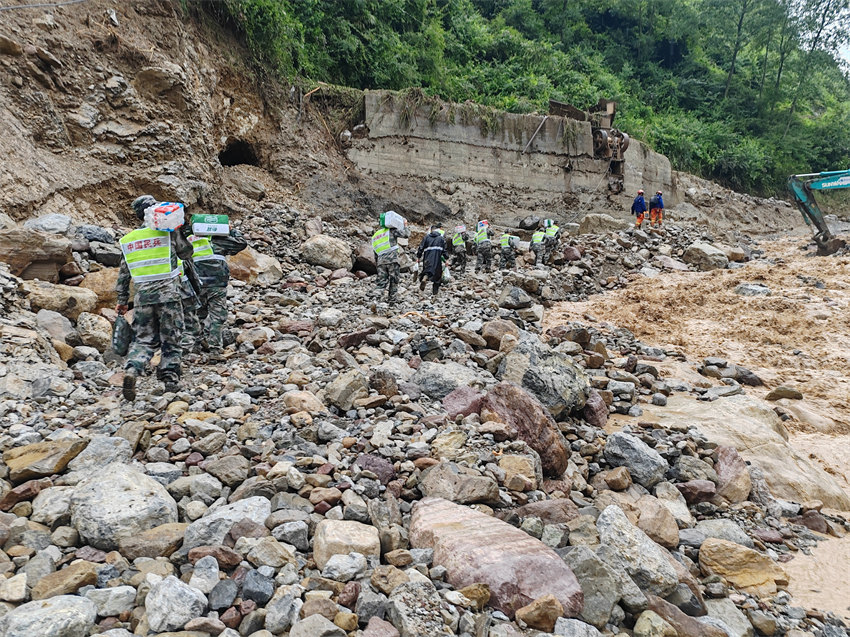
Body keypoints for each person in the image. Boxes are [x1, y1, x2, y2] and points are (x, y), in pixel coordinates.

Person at [116, 195, 193, 400]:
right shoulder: (167, 232)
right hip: (168, 294)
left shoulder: (129, 239)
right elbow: (186, 254)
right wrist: (178, 232)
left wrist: (122, 301)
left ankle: (133, 369)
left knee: (143, 339)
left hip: (143, 297)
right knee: (171, 337)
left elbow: (123, 275)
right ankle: (169, 379)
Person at [185, 219, 248, 359]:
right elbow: (241, 243)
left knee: (197, 315)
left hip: (197, 283)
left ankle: (193, 349)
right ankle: (214, 350)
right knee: (217, 317)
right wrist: (231, 230)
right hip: (217, 283)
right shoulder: (219, 239)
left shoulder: (188, 239)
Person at [372, 210, 409, 304]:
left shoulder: (375, 236)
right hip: (392, 260)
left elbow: (375, 252)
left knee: (381, 283)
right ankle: (392, 302)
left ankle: (375, 300)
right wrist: (405, 224)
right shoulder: (391, 231)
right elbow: (406, 234)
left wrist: (378, 264)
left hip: (381, 261)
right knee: (394, 280)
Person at [417, 223, 448, 298]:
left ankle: (425, 277)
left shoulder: (426, 237)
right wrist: (446, 259)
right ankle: (435, 293)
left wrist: (418, 257)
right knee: (437, 276)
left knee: (427, 271)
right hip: (437, 260)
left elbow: (421, 248)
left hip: (427, 259)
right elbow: (444, 250)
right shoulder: (441, 239)